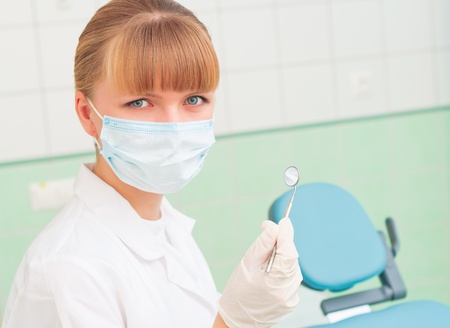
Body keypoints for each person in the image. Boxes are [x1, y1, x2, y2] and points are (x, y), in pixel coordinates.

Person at [2, 0, 302, 327]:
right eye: (140, 102)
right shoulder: (69, 267)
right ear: (87, 114)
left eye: (193, 99)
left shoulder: (165, 228)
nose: (173, 127)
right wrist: (236, 320)